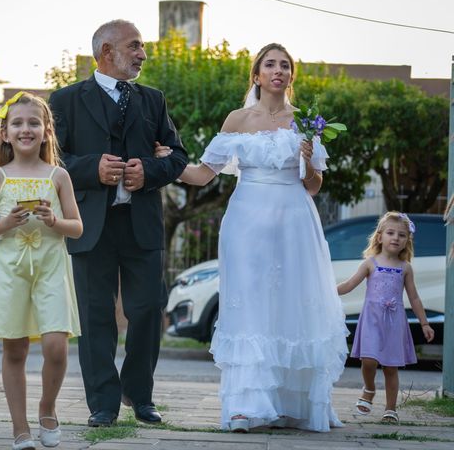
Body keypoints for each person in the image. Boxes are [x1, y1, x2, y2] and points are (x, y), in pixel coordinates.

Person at [155, 43, 348, 432]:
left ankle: (292, 404)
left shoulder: (306, 122)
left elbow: (313, 186)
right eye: (270, 64)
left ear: (291, 75)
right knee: (250, 306)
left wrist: (309, 158)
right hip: (246, 225)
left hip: (295, 222)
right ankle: (245, 404)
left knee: (292, 306)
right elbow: (202, 174)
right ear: (257, 75)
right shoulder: (237, 120)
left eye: (285, 65)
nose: (278, 70)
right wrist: (168, 163)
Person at [48, 19, 188, 427]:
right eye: (135, 46)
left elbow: (176, 156)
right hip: (91, 225)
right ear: (106, 51)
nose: (143, 54)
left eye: (142, 47)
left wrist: (149, 170)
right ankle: (103, 404)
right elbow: (52, 160)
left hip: (141, 222)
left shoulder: (154, 100)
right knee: (96, 317)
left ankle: (139, 395)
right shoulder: (66, 100)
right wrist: (92, 169)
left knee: (147, 311)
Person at [0, 91, 83, 450]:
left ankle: (47, 407)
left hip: (51, 268)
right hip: (11, 271)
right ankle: (20, 428)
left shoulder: (59, 175)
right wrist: (7, 222)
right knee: (14, 351)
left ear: (47, 130)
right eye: (17, 123)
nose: (25, 128)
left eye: (34, 122)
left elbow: (77, 227)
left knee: (56, 347)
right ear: (5, 133)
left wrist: (54, 220)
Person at [337, 211, 435, 424]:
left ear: (407, 241)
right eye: (391, 233)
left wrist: (425, 323)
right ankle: (369, 389)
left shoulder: (405, 268)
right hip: (372, 320)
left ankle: (390, 409)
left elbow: (415, 298)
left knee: (391, 367)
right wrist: (328, 291)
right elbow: (349, 284)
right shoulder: (370, 263)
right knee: (369, 360)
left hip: (394, 323)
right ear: (380, 236)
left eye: (401, 235)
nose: (396, 238)